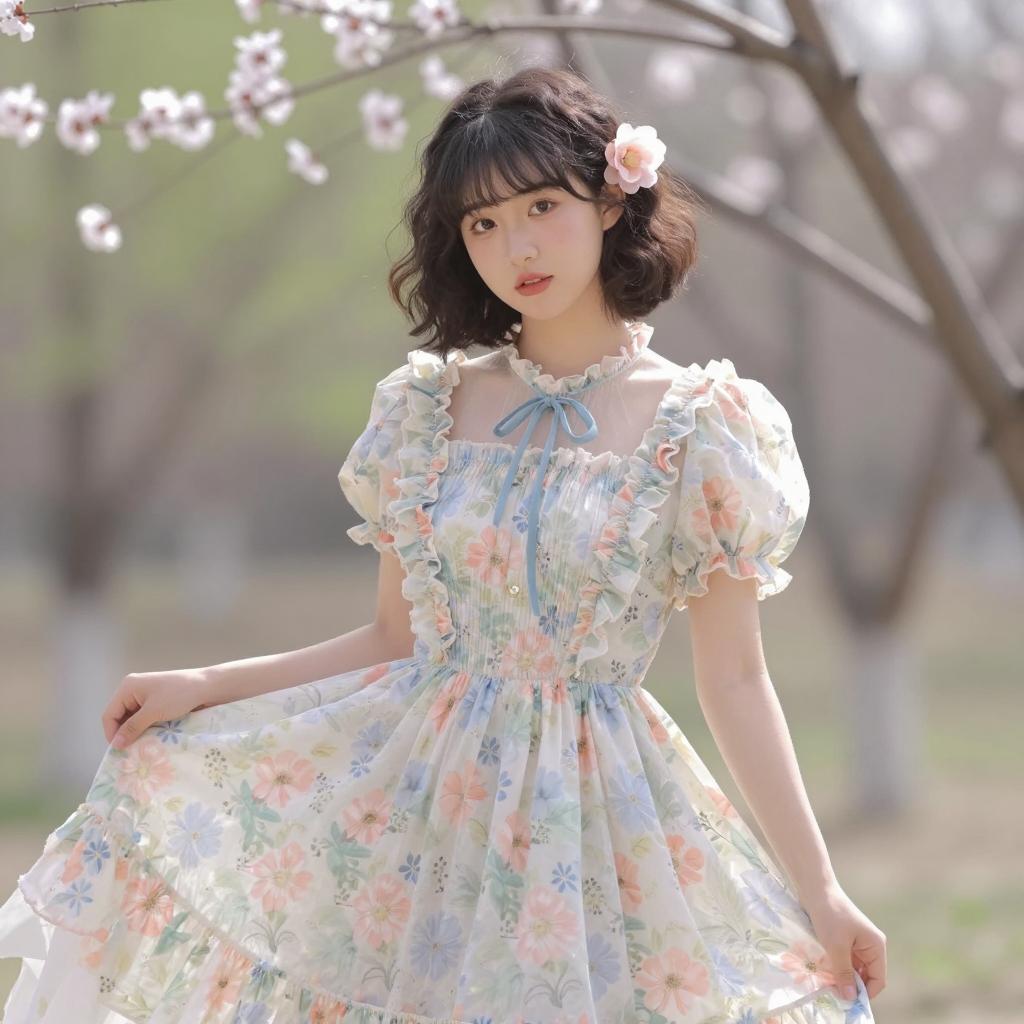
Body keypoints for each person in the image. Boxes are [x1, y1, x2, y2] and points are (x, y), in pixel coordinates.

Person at [0, 64, 886, 1023]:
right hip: (424, 814)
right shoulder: (426, 408)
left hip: (596, 824)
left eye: (542, 205)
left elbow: (737, 680)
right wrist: (206, 686)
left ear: (612, 200)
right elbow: (395, 637)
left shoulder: (703, 425)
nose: (517, 246)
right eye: (483, 223)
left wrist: (823, 889)